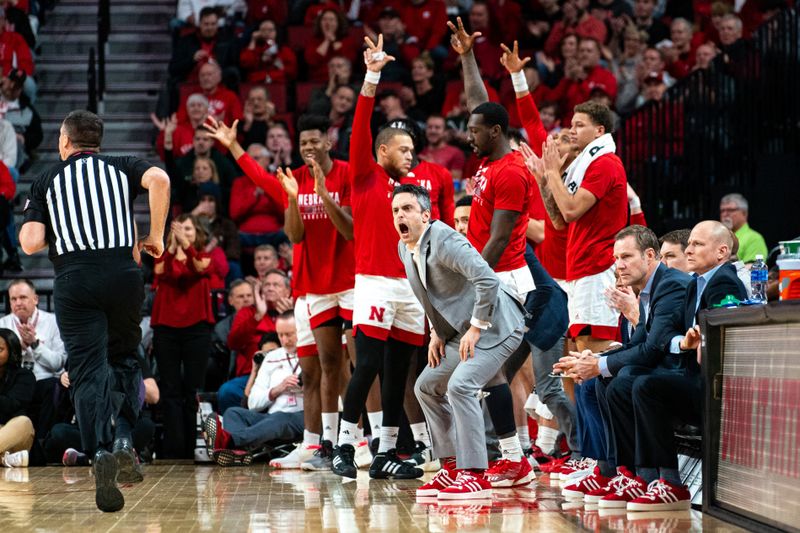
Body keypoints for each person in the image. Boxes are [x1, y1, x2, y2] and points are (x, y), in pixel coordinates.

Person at [19, 109, 170, 512]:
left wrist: (49, 221)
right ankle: (123, 439)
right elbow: (159, 178)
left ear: (65, 142)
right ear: (97, 143)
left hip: (75, 280)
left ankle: (99, 451)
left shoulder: (48, 179)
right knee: (124, 359)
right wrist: (155, 235)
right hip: (123, 274)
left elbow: (31, 243)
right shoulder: (121, 166)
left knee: (87, 370)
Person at [204, 113, 359, 470]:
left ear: (328, 142)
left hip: (349, 283)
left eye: (313, 142)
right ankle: (315, 443)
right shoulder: (293, 179)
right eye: (302, 143)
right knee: (314, 370)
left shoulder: (347, 173)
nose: (307, 148)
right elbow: (257, 176)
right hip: (309, 289)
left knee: (350, 368)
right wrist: (232, 146)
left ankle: (357, 439)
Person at [330, 35, 426, 481]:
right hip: (372, 283)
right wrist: (372, 74)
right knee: (365, 364)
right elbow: (360, 127)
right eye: (403, 150)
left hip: (410, 288)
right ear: (382, 151)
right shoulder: (365, 175)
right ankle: (344, 446)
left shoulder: (414, 194)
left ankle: (387, 450)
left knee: (398, 373)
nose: (411, 155)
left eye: (412, 150)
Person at [389, 185, 525, 499]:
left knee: (460, 386)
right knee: (425, 385)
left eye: (407, 209)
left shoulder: (445, 239)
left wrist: (477, 327)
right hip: (460, 332)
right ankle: (451, 466)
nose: (400, 215)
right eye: (396, 210)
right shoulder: (403, 246)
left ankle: (474, 473)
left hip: (498, 325)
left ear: (425, 215)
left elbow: (487, 280)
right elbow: (430, 296)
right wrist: (436, 333)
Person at [604, 221, 747, 511]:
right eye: (690, 243)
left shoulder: (725, 282)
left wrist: (701, 340)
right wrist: (684, 341)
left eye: (697, 244)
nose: (689, 249)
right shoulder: (696, 282)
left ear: (722, 252)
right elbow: (671, 336)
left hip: (716, 385)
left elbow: (725, 335)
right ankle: (640, 475)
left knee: (645, 384)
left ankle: (669, 482)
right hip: (692, 375)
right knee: (626, 380)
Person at [449, 19, 535, 485]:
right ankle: (513, 456)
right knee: (491, 375)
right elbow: (477, 103)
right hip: (492, 276)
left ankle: (514, 458)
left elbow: (500, 239)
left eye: (476, 132)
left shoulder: (511, 173)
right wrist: (466, 56)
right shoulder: (491, 157)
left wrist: (470, 277)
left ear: (497, 132)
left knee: (491, 372)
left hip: (502, 278)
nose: (470, 136)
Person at [554, 225, 691, 501]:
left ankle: (661, 479)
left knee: (630, 380)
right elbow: (636, 345)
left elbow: (652, 349)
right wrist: (594, 360)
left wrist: (599, 365)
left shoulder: (671, 284)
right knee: (609, 379)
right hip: (666, 371)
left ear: (650, 255)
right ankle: (622, 472)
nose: (619, 266)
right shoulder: (650, 289)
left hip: (686, 375)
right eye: (616, 259)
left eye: (626, 257)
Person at [525, 101, 628, 355]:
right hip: (581, 267)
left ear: (599, 131)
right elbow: (559, 220)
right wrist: (544, 180)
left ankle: (604, 397)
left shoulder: (605, 163)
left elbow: (570, 211)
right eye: (571, 124)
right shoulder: (583, 165)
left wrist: (551, 172)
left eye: (579, 125)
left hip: (597, 267)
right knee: (575, 351)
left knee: (593, 351)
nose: (572, 130)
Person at [151, 215, 216, 460]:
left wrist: (185, 246)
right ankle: (173, 450)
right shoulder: (164, 257)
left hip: (196, 329)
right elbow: (159, 271)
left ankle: (192, 448)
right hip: (165, 328)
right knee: (170, 390)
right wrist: (170, 246)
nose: (182, 232)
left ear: (196, 232)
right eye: (179, 228)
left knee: (192, 391)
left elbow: (200, 267)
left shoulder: (203, 255)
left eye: (187, 228)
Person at [203, 313, 305, 466]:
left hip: (304, 417)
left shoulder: (312, 353)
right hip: (271, 418)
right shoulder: (271, 357)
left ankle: (230, 441)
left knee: (279, 418)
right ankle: (238, 453)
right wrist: (275, 390)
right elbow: (253, 403)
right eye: (280, 335)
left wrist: (305, 386)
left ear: (301, 330)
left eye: (289, 334)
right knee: (234, 412)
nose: (284, 340)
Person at [0, 279, 67, 439]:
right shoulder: (3, 323)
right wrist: (17, 348)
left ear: (35, 299)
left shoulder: (53, 322)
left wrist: (35, 345)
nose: (18, 303)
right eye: (13, 299)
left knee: (51, 386)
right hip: (14, 383)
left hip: (42, 382)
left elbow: (58, 364)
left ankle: (42, 441)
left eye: (23, 297)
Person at [0, 328, 35, 468]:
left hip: (16, 435)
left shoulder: (24, 376)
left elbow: (12, 405)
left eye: (0, 349)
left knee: (23, 422)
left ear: (12, 351)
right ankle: (4, 460)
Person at [719, 193, 767, 264]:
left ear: (744, 213)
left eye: (730, 210)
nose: (725, 214)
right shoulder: (716, 238)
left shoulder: (754, 238)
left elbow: (753, 268)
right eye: (722, 211)